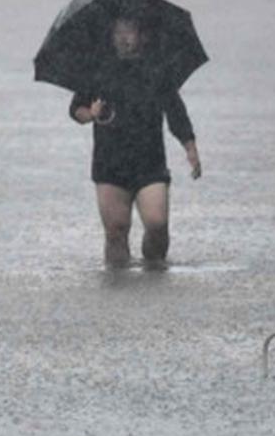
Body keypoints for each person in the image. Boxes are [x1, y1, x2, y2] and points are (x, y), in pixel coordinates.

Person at [70, 15, 202, 268]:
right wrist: (91, 114)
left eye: (129, 32)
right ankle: (118, 282)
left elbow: (175, 112)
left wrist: (190, 148)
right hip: (110, 164)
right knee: (116, 231)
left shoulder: (157, 70)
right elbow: (76, 110)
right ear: (111, 37)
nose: (123, 38)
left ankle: (154, 268)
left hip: (150, 163)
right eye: (118, 32)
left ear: (142, 36)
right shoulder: (97, 69)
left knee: (157, 223)